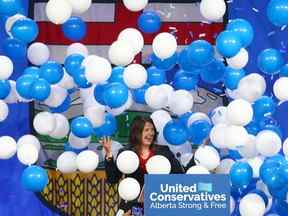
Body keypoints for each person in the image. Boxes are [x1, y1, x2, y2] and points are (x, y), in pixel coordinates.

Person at [101, 116, 191, 216]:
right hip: (132, 206)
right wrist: (109, 154)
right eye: (146, 130)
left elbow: (180, 176)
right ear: (137, 133)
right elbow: (113, 179)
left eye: (152, 130)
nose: (150, 133)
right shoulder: (126, 153)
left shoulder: (164, 152)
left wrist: (196, 159)